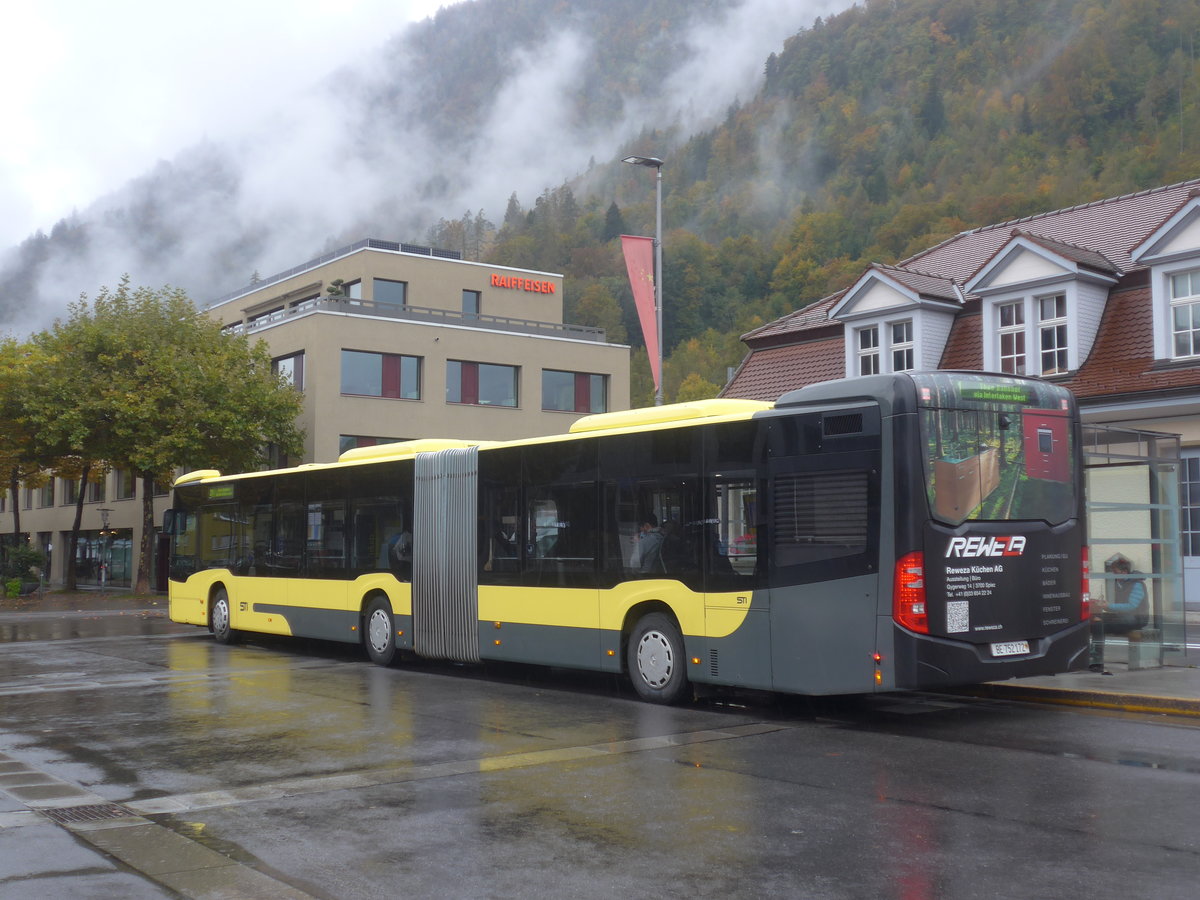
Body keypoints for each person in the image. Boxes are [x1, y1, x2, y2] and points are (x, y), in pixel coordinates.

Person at [1102, 557, 1148, 634]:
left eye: (1116, 572)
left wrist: (1110, 606)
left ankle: (1097, 645)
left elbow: (1131, 606)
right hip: (1126, 616)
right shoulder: (1120, 584)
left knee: (1101, 625)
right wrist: (1106, 607)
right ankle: (1097, 645)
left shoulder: (1137, 584)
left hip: (1137, 619)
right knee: (1098, 620)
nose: (1113, 575)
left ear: (1124, 572)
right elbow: (1120, 606)